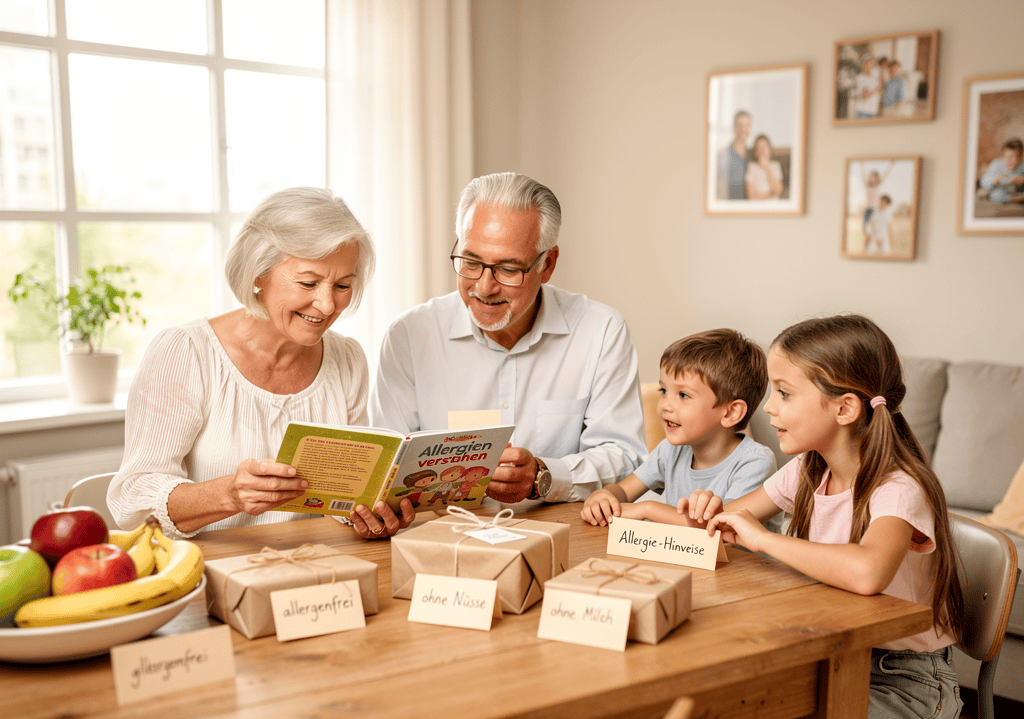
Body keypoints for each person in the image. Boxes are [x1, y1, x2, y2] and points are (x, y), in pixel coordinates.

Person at [681, 314, 965, 719]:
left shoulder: (900, 488)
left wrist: (761, 540)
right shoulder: (809, 469)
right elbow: (733, 516)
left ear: (845, 408)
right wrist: (695, 508)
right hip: (825, 660)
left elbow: (868, 572)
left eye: (785, 393)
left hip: (906, 687)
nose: (768, 407)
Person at [108, 187, 412, 540]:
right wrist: (229, 494)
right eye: (308, 282)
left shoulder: (347, 359)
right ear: (257, 273)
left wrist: (370, 515)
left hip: (316, 573)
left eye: (343, 285)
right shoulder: (186, 353)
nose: (328, 305)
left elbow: (345, 497)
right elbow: (131, 500)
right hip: (209, 575)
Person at [370, 172, 647, 507]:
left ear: (548, 265)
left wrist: (544, 475)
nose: (484, 287)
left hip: (559, 536)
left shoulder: (601, 331)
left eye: (508, 269)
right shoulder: (409, 337)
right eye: (471, 262)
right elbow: (387, 469)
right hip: (441, 539)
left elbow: (625, 457)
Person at [580, 329, 775, 528]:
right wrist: (604, 495)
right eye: (664, 391)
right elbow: (623, 491)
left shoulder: (755, 463)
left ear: (730, 413)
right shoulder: (670, 451)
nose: (664, 404)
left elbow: (718, 527)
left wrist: (646, 509)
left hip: (742, 560)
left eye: (683, 395)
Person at [716, 110, 752, 199]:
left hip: (750, 208)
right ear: (734, 127)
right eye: (740, 125)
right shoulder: (724, 155)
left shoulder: (752, 155)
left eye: (747, 125)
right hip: (731, 208)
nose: (744, 130)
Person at [979, 138, 1024, 204]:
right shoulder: (997, 164)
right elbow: (984, 182)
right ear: (1002, 157)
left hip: (1016, 191)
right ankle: (1015, 200)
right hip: (1001, 190)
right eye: (1010, 157)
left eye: (1018, 157)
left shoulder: (1022, 165)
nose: (1015, 161)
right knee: (996, 194)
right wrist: (995, 180)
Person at [744, 134, 784, 200]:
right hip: (758, 206)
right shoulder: (752, 167)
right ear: (755, 153)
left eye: (764, 146)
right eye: (759, 147)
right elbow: (751, 196)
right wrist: (771, 195)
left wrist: (766, 168)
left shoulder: (775, 165)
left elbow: (778, 190)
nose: (762, 150)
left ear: (770, 149)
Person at [860, 162, 893, 237]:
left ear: (877, 178)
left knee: (875, 228)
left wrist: (891, 165)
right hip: (868, 209)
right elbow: (863, 175)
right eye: (871, 177)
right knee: (865, 228)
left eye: (874, 177)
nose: (873, 178)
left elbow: (885, 175)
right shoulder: (867, 185)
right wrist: (861, 164)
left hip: (875, 209)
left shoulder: (877, 186)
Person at [855, 55, 882, 119]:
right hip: (863, 112)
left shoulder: (875, 79)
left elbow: (879, 95)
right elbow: (864, 96)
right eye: (867, 64)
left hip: (873, 112)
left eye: (871, 64)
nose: (869, 66)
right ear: (863, 65)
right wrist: (877, 89)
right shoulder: (860, 78)